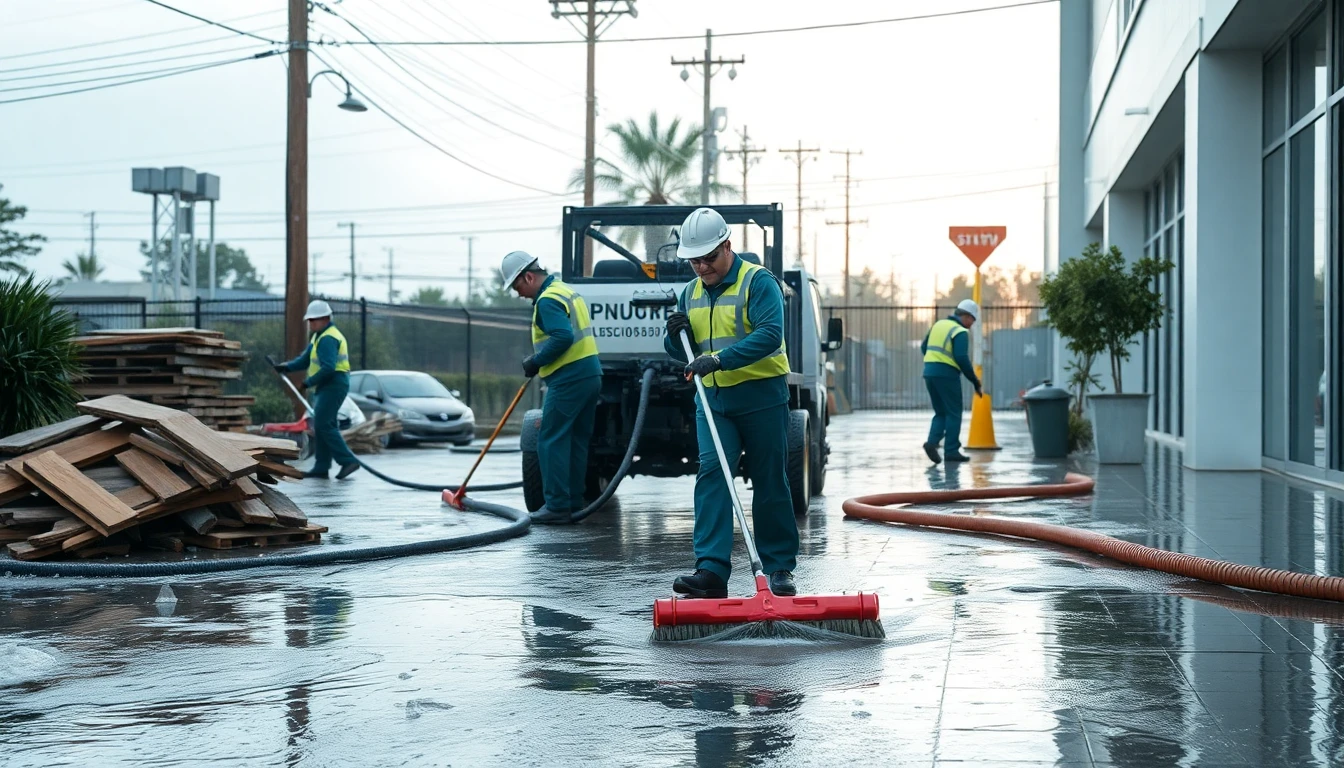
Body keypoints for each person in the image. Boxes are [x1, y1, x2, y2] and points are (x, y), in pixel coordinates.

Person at [663, 207, 798, 599]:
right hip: (713, 400)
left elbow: (771, 334)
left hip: (761, 396)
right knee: (712, 475)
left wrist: (720, 360)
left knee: (770, 478)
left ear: (728, 246)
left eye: (709, 258)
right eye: (694, 260)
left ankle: (778, 567)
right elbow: (682, 349)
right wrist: (674, 336)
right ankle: (710, 570)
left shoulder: (758, 282)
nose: (702, 267)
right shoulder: (689, 292)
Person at [501, 250, 601, 525]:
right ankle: (570, 503)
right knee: (576, 441)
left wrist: (535, 361)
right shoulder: (564, 291)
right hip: (590, 374)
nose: (518, 293)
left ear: (529, 276)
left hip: (568, 378)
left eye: (517, 286)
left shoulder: (547, 300)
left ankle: (557, 506)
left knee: (551, 439)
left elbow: (563, 336)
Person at [273, 299, 361, 479]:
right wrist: (286, 367)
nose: (311, 323)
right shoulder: (318, 337)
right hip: (326, 385)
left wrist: (307, 383)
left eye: (314, 320)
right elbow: (305, 360)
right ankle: (322, 466)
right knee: (322, 425)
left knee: (323, 424)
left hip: (333, 383)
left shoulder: (328, 337)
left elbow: (328, 368)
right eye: (310, 320)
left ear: (326, 318)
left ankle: (348, 461)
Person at [920, 299, 984, 464]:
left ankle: (932, 442)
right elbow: (961, 358)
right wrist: (975, 381)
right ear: (967, 316)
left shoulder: (938, 325)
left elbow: (923, 347)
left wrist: (933, 362)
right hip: (947, 375)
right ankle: (951, 451)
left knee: (940, 412)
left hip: (929, 372)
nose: (972, 324)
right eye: (972, 320)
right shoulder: (960, 331)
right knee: (954, 413)